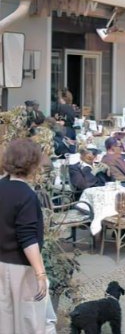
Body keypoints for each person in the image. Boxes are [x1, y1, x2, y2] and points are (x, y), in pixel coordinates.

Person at [0, 138, 57, 333]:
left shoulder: (2, 186)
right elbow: (28, 238)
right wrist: (40, 273)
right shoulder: (26, 195)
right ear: (32, 164)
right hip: (20, 269)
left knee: (4, 323)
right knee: (28, 323)